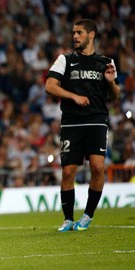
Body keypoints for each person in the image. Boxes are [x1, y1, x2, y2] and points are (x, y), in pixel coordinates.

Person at [45, 19, 120, 232]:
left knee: (97, 167)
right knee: (68, 172)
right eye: (73, 32)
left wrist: (111, 82)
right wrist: (74, 96)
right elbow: (49, 86)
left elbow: (114, 96)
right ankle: (68, 219)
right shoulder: (65, 60)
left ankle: (87, 216)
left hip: (97, 121)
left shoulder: (106, 62)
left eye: (79, 32)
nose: (75, 36)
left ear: (91, 35)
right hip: (71, 123)